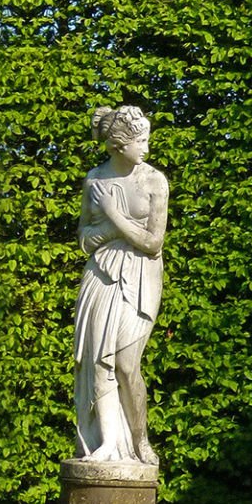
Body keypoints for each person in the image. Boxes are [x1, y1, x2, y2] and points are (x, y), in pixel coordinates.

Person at [73, 105, 168, 464]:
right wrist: (108, 230)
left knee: (128, 364)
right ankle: (107, 445)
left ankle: (140, 440)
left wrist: (114, 218)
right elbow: (83, 237)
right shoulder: (95, 180)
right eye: (140, 141)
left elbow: (153, 243)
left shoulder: (154, 181)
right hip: (100, 275)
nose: (146, 147)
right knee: (100, 362)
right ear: (118, 144)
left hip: (142, 277)